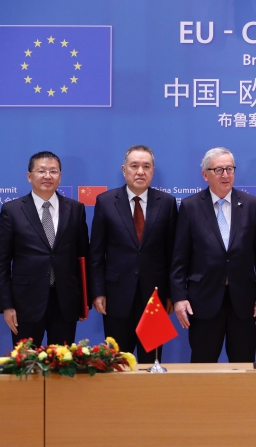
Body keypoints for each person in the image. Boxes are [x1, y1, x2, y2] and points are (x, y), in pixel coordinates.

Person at [171, 147, 256, 362]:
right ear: (205, 175)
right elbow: (179, 260)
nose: (225, 175)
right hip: (203, 301)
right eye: (218, 170)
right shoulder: (190, 207)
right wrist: (179, 298)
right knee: (203, 367)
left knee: (244, 366)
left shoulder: (251, 205)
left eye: (229, 169)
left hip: (243, 302)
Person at [89, 145, 178, 362]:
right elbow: (96, 253)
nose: (140, 171)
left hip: (154, 298)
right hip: (116, 296)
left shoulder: (167, 203)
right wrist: (98, 292)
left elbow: (173, 253)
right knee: (118, 363)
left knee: (152, 364)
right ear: (124, 170)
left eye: (146, 166)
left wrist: (171, 294)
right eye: (134, 166)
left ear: (153, 171)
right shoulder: (106, 201)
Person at [0, 151, 89, 346]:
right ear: (29, 176)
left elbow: (83, 257)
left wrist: (83, 302)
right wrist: (7, 306)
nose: (47, 176)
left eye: (53, 171)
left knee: (63, 362)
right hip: (25, 303)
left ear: (60, 176)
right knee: (26, 362)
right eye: (41, 171)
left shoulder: (75, 209)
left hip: (65, 302)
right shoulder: (12, 210)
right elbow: (1, 263)